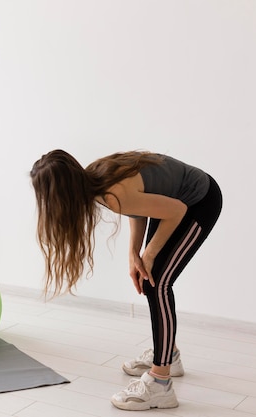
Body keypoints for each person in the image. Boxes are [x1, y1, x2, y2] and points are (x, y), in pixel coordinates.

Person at [29, 150, 222, 411]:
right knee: (150, 278)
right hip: (175, 201)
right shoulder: (95, 178)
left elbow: (176, 211)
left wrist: (149, 254)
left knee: (158, 283)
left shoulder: (113, 194)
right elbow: (138, 207)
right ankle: (169, 355)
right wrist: (134, 253)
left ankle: (160, 382)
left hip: (199, 201)